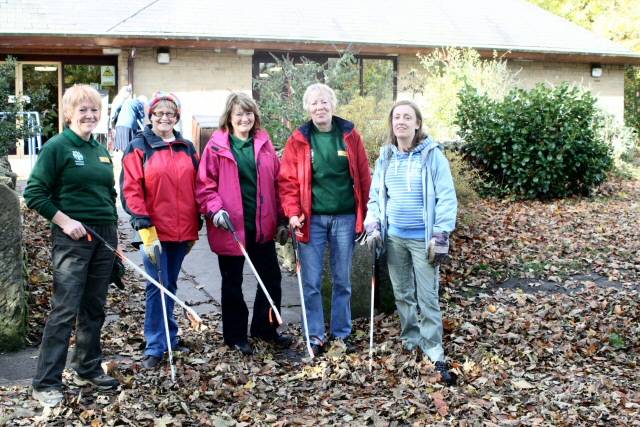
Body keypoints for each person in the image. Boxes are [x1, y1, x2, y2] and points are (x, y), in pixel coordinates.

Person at [24, 84, 119, 407]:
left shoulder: (100, 149)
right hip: (73, 238)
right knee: (64, 310)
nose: (90, 115)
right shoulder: (57, 147)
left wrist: (114, 238)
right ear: (68, 114)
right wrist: (65, 221)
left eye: (94, 110)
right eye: (83, 110)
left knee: (94, 307)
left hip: (104, 236)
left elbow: (109, 194)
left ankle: (86, 367)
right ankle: (45, 382)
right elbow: (34, 193)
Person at [364, 100, 458, 385]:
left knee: (427, 296)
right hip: (395, 239)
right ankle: (410, 337)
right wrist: (373, 224)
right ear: (392, 124)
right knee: (402, 293)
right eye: (397, 117)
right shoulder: (386, 158)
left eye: (407, 117)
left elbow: (446, 197)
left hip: (423, 240)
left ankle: (432, 347)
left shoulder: (432, 157)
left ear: (417, 123)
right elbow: (376, 197)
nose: (401, 121)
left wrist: (441, 234)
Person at [278, 83, 371, 355]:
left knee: (342, 279)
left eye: (324, 102)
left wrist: (366, 215)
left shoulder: (350, 136)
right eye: (314, 103)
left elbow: (364, 178)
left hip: (345, 218)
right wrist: (293, 212)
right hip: (311, 221)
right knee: (311, 281)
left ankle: (341, 333)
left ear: (333, 105)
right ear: (308, 108)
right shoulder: (299, 139)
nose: (320, 107)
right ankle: (315, 335)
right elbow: (287, 181)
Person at [195, 92, 291, 355]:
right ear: (229, 117)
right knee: (232, 282)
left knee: (271, 278)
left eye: (248, 113)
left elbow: (277, 182)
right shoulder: (216, 147)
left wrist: (282, 218)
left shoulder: (263, 142)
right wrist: (215, 211)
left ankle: (265, 328)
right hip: (230, 227)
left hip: (261, 225)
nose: (244, 118)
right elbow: (205, 186)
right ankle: (235, 336)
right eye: (239, 114)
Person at [120, 91, 200, 368]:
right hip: (152, 229)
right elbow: (130, 187)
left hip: (183, 229)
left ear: (177, 117)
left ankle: (170, 336)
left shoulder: (187, 147)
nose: (164, 118)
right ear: (151, 116)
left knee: (170, 284)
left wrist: (200, 215)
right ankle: (155, 344)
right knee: (157, 286)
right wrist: (140, 217)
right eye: (159, 113)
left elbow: (198, 186)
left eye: (170, 113)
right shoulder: (139, 146)